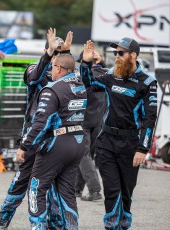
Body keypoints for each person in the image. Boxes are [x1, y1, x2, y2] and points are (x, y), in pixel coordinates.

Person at [0, 28, 73, 230]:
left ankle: (53, 222)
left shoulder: (65, 74)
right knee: (22, 180)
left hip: (55, 139)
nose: (57, 55)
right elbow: (34, 78)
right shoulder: (34, 68)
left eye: (60, 52)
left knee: (53, 184)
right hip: (33, 135)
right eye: (54, 51)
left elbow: (75, 82)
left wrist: (67, 53)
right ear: (46, 50)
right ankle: (5, 214)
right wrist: (49, 53)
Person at [80, 38, 157, 229]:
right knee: (112, 190)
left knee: (126, 192)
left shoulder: (147, 82)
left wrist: (142, 148)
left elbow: (150, 119)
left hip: (130, 144)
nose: (116, 56)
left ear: (133, 55)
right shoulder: (110, 75)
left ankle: (124, 224)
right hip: (106, 141)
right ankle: (111, 225)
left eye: (120, 53)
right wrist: (86, 62)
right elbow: (88, 83)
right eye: (115, 53)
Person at [17, 53, 87, 229]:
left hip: (57, 142)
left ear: (58, 68)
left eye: (53, 66)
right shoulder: (80, 86)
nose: (50, 71)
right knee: (67, 192)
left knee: (36, 188)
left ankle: (38, 227)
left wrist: (25, 145)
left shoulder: (52, 89)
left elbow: (40, 123)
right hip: (77, 141)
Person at [75, 50, 106, 201]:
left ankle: (94, 190)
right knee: (87, 157)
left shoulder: (85, 75)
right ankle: (76, 189)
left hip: (84, 120)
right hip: (98, 122)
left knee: (82, 155)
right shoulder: (106, 74)